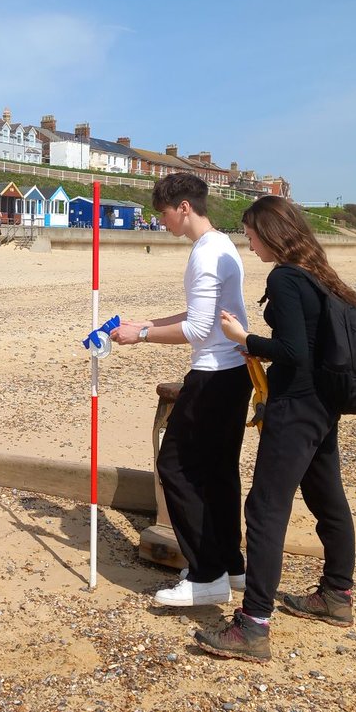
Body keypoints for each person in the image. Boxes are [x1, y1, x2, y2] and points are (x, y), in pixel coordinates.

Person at [197, 195, 356, 664]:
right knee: (327, 495)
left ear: (271, 232)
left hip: (295, 407)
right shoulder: (318, 272)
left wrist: (243, 340)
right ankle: (337, 594)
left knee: (266, 509)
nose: (247, 242)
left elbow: (292, 351)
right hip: (323, 405)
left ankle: (253, 626)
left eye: (250, 233)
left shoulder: (287, 278)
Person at [110, 173, 252, 607]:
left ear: (184, 207)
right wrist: (146, 324)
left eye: (165, 213)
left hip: (213, 376)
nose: (164, 221)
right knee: (219, 471)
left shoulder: (205, 255)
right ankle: (232, 567)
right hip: (235, 373)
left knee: (174, 467)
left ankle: (206, 573)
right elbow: (199, 312)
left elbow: (196, 328)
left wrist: (142, 337)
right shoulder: (222, 245)